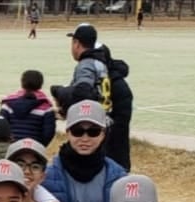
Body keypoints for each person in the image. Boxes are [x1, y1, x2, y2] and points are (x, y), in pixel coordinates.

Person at [50, 24, 133, 170]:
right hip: (107, 128)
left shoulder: (86, 65)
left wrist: (60, 92)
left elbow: (83, 92)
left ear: (76, 43)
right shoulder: (104, 68)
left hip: (96, 126)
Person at [0, 69, 56, 147]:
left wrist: (7, 144)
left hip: (10, 146)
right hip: (34, 147)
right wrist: (40, 146)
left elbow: (1, 127)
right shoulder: (46, 107)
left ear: (22, 83)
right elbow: (48, 133)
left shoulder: (8, 103)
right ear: (41, 84)